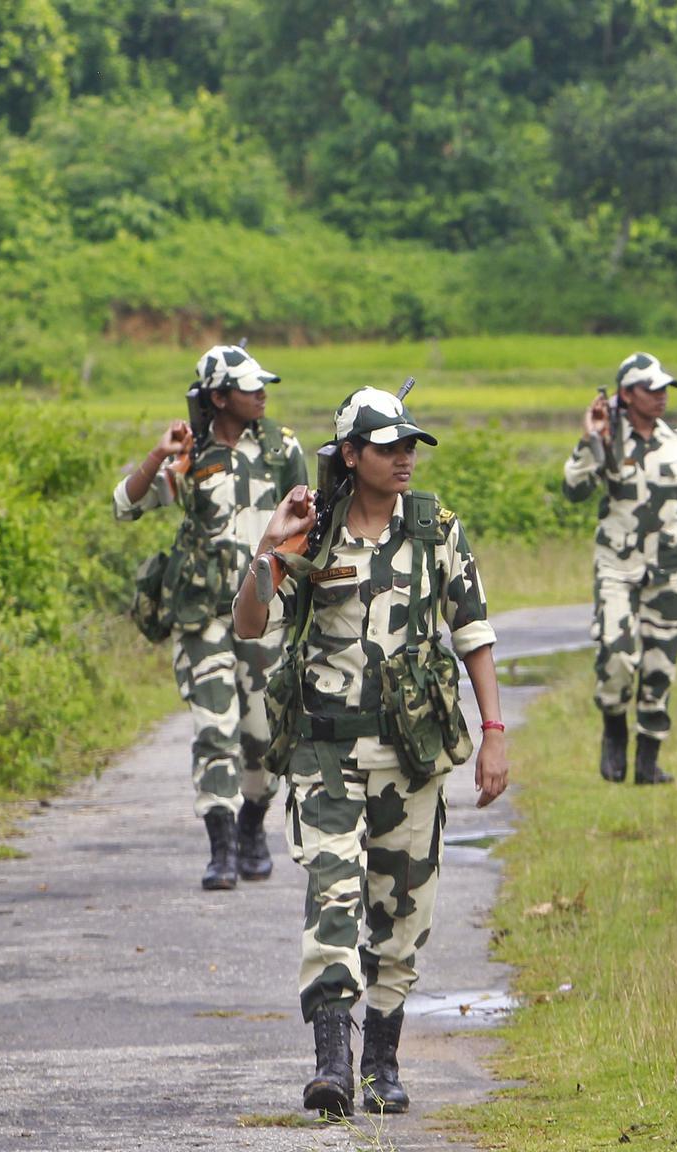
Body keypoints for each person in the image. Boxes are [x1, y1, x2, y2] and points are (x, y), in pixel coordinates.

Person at [232, 385, 507, 1118]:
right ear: (350, 455)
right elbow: (250, 620)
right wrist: (270, 544)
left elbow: (472, 632)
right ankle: (332, 1065)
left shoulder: (436, 529)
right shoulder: (311, 532)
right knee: (333, 899)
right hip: (325, 754)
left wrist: (494, 734)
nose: (404, 458)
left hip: (411, 759)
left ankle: (382, 1061)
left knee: (402, 915)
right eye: (387, 447)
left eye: (410, 445)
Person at [115, 344, 308, 890]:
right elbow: (126, 504)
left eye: (262, 386)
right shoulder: (190, 454)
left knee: (262, 735)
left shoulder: (282, 449)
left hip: (264, 614)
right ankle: (220, 847)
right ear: (220, 397)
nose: (262, 395)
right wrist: (159, 455)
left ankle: (252, 822)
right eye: (250, 388)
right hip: (202, 616)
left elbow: (307, 520)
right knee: (213, 729)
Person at [562, 352, 677, 784]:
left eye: (665, 388)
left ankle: (648, 761)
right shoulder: (607, 437)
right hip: (617, 568)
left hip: (669, 569)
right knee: (616, 654)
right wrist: (592, 439)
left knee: (661, 666)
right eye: (651, 389)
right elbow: (573, 490)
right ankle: (613, 730)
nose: (661, 396)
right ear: (626, 394)